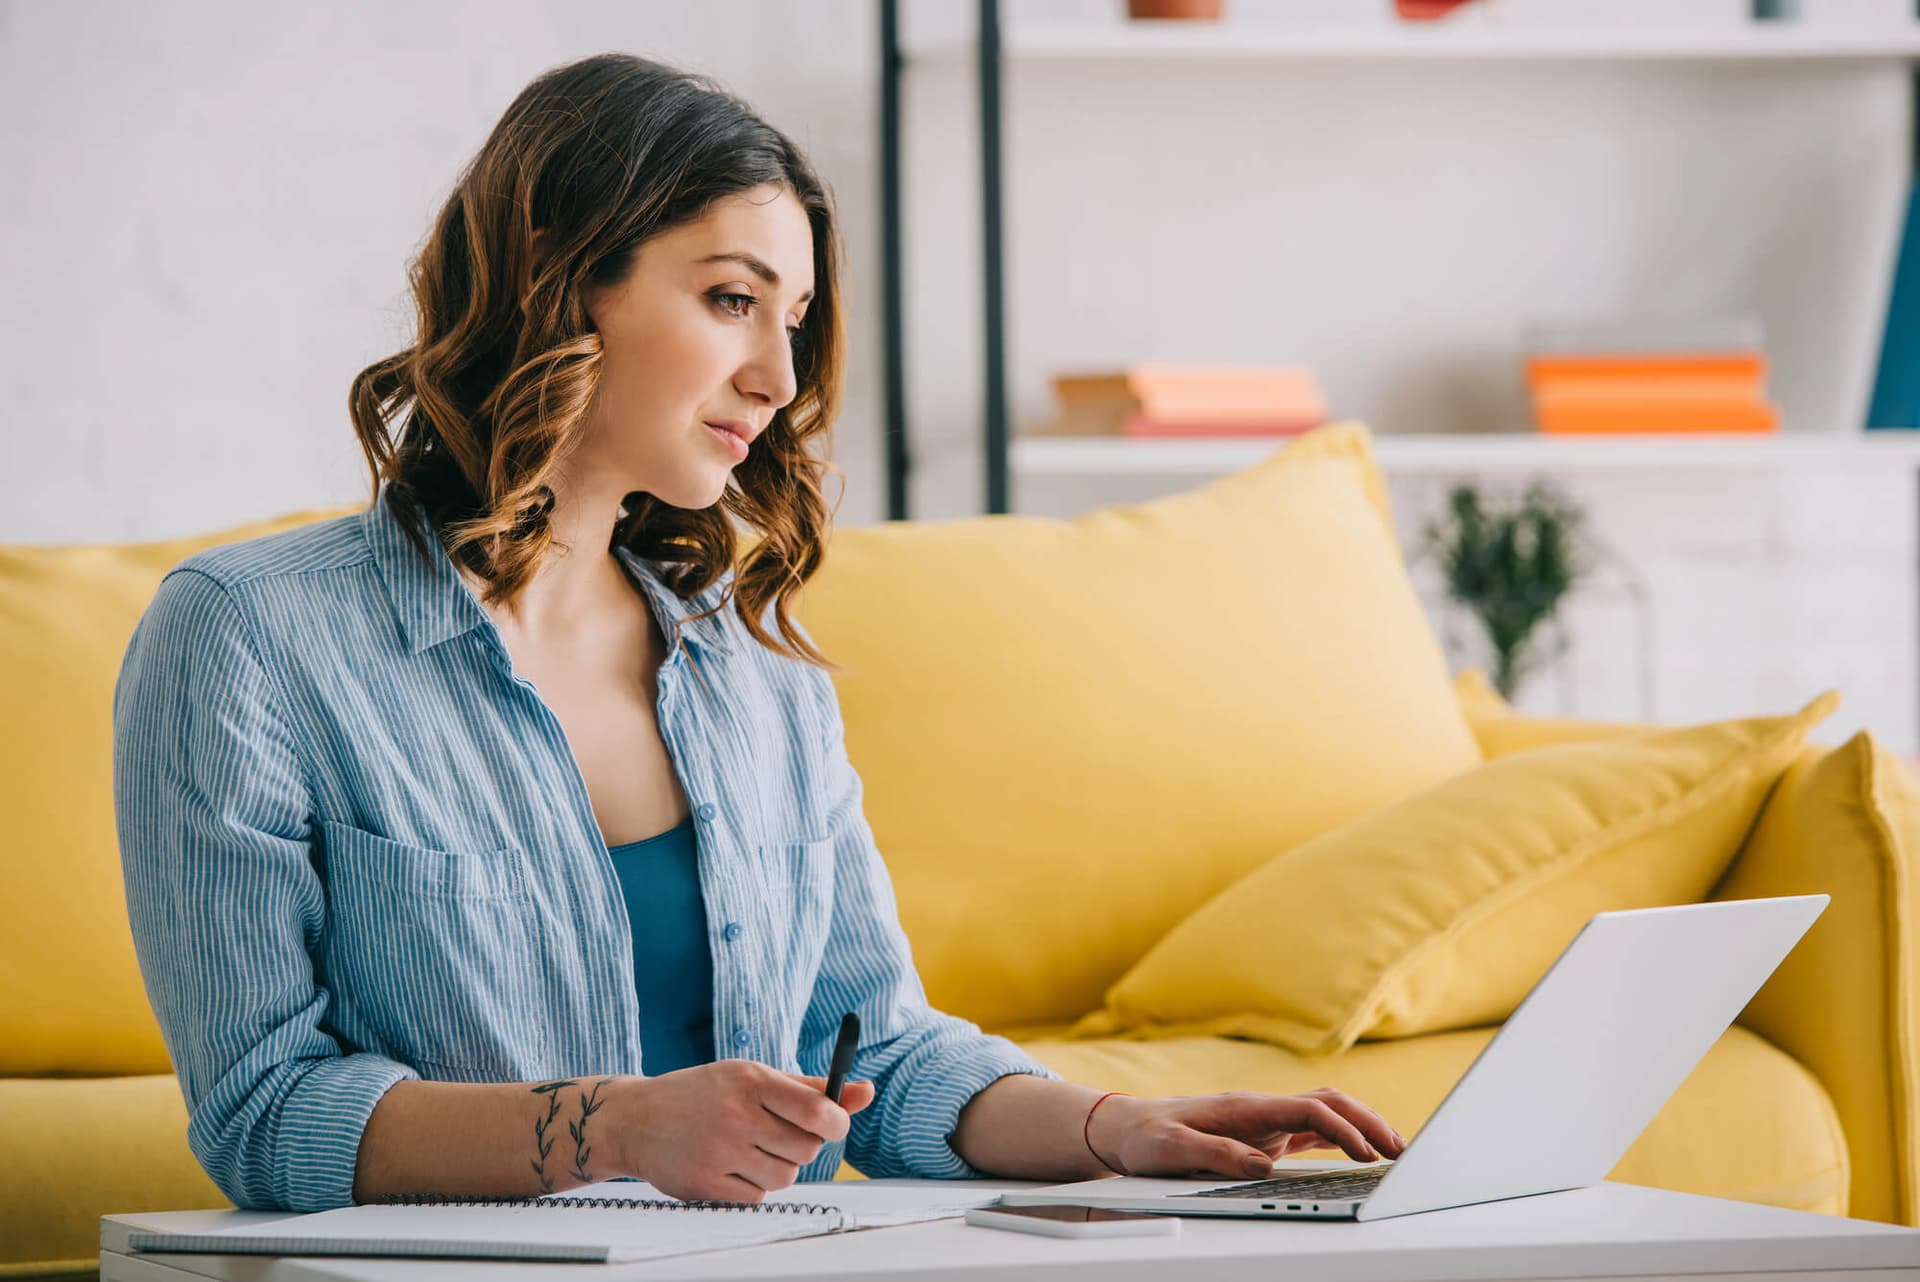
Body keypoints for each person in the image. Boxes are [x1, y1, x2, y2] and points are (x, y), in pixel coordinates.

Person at [112, 51, 1405, 1215]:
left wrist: (1118, 1127)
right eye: (733, 298)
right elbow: (263, 1109)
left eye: (792, 323)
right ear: (563, 276)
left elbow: (879, 1054)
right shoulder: (248, 642)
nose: (780, 384)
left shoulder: (751, 670)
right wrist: (620, 1128)